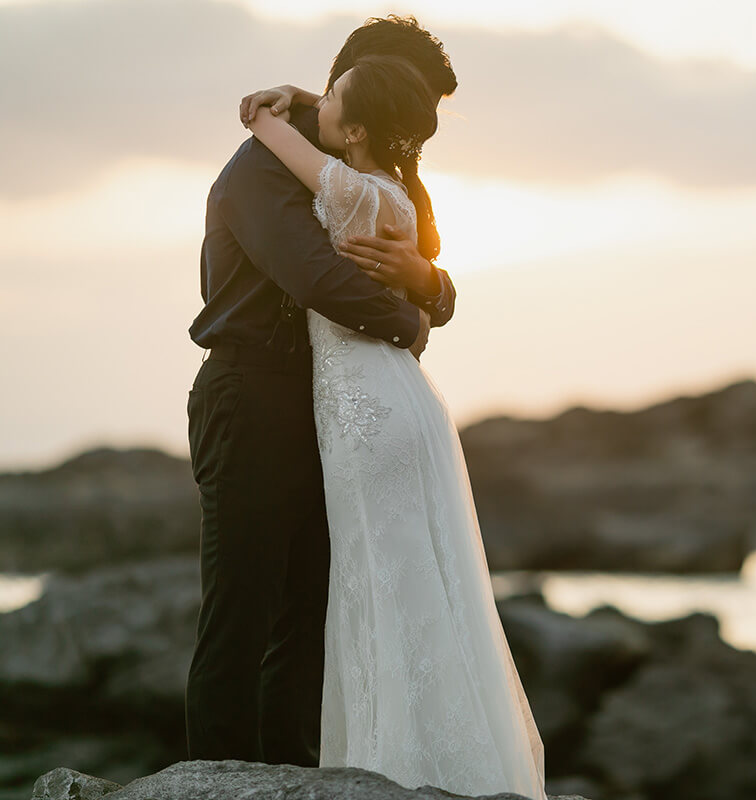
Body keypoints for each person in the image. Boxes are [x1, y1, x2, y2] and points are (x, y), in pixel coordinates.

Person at [230, 17, 547, 800]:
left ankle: (396, 765)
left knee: (385, 578)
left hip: (366, 410)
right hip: (377, 402)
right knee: (398, 578)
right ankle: (412, 760)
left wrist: (421, 291)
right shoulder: (386, 183)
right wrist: (316, 101)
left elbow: (425, 276)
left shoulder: (357, 179)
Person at [185, 15, 454, 772]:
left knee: (309, 613)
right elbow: (318, 279)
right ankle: (217, 782)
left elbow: (428, 263)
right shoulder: (261, 169)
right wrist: (412, 318)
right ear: (365, 84)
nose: (416, 139)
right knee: (241, 612)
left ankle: (291, 778)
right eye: (409, 102)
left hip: (329, 407)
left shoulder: (373, 163)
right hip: (250, 391)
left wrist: (427, 286)